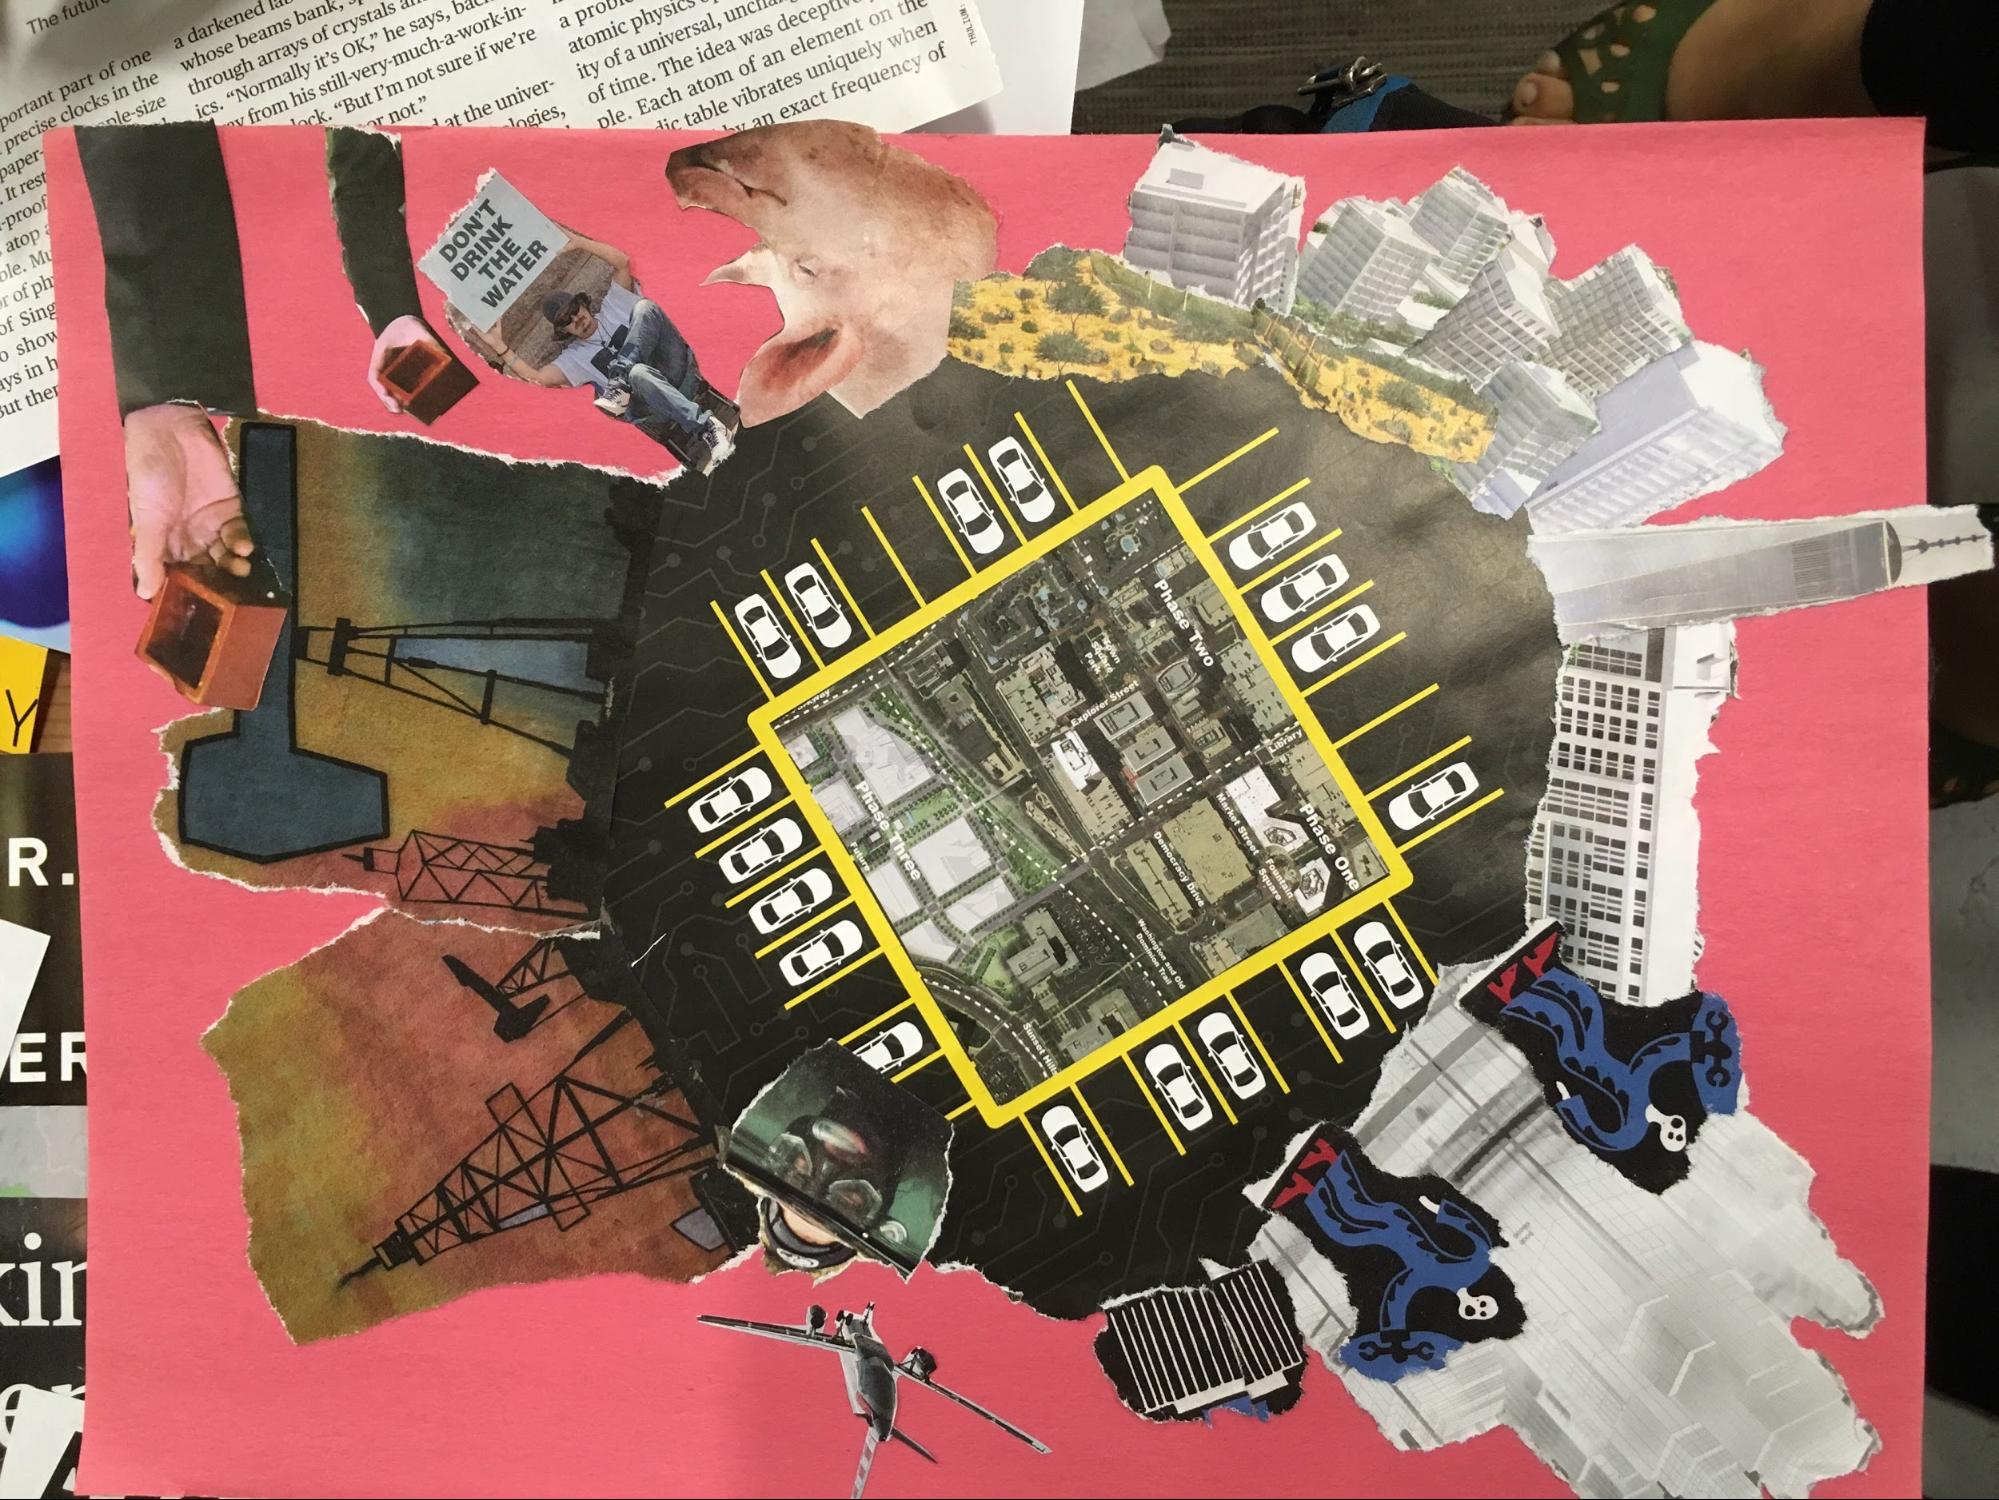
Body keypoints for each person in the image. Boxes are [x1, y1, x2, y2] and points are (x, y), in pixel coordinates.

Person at [488, 236, 731, 459]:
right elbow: (539, 379)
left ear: (583, 305)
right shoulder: (573, 358)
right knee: (637, 374)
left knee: (645, 308)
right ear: (564, 331)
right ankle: (707, 427)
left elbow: (622, 263)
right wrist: (500, 347)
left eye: (575, 310)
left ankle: (620, 381)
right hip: (648, 405)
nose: (576, 319)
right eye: (566, 321)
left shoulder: (614, 305)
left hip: (674, 367)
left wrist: (579, 243)